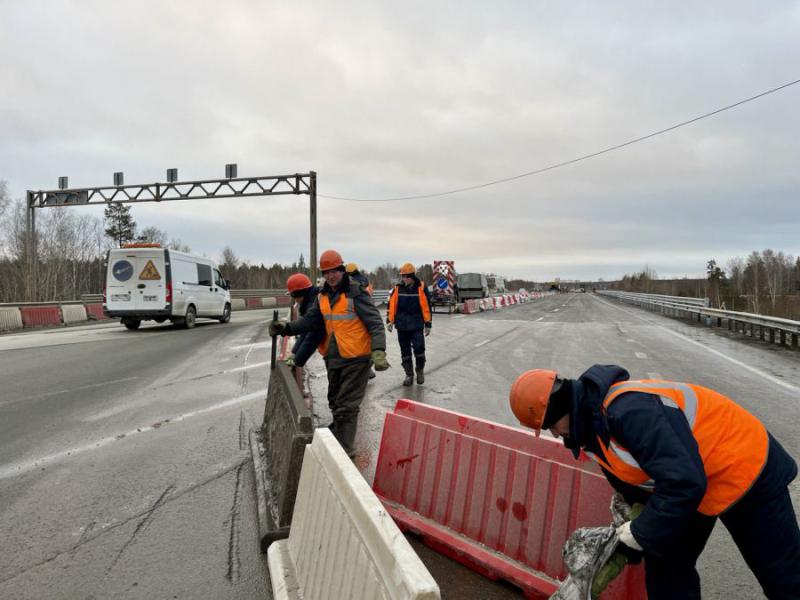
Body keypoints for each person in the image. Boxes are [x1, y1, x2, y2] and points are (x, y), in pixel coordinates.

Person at [509, 365, 800, 600]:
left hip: (746, 467)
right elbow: (647, 482)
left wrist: (640, 532)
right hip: (695, 481)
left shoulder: (628, 412)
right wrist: (631, 527)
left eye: (548, 427)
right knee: (667, 566)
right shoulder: (591, 431)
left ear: (558, 410)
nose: (553, 435)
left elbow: (684, 482)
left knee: (782, 576)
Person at [269, 249, 389, 457]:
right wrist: (286, 328)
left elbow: (375, 324)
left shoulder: (356, 293)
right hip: (334, 357)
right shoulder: (323, 296)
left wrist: (378, 351)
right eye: (326, 272)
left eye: (334, 271)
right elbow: (309, 321)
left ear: (342, 270)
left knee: (347, 405)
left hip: (357, 358)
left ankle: (346, 449)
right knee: (334, 400)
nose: (330, 276)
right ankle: (339, 434)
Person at [386, 263, 432, 386]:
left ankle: (420, 370)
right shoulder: (397, 288)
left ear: (412, 276)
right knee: (405, 352)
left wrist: (428, 324)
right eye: (403, 276)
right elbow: (391, 305)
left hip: (417, 325)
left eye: (406, 276)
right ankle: (409, 375)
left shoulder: (421, 287)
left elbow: (427, 306)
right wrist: (389, 321)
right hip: (401, 326)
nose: (404, 279)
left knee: (419, 349)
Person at [345, 262, 376, 379]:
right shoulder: (365, 281)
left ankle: (364, 371)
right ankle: (368, 369)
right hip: (368, 312)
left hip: (355, 315)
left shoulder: (351, 283)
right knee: (367, 343)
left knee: (356, 345)